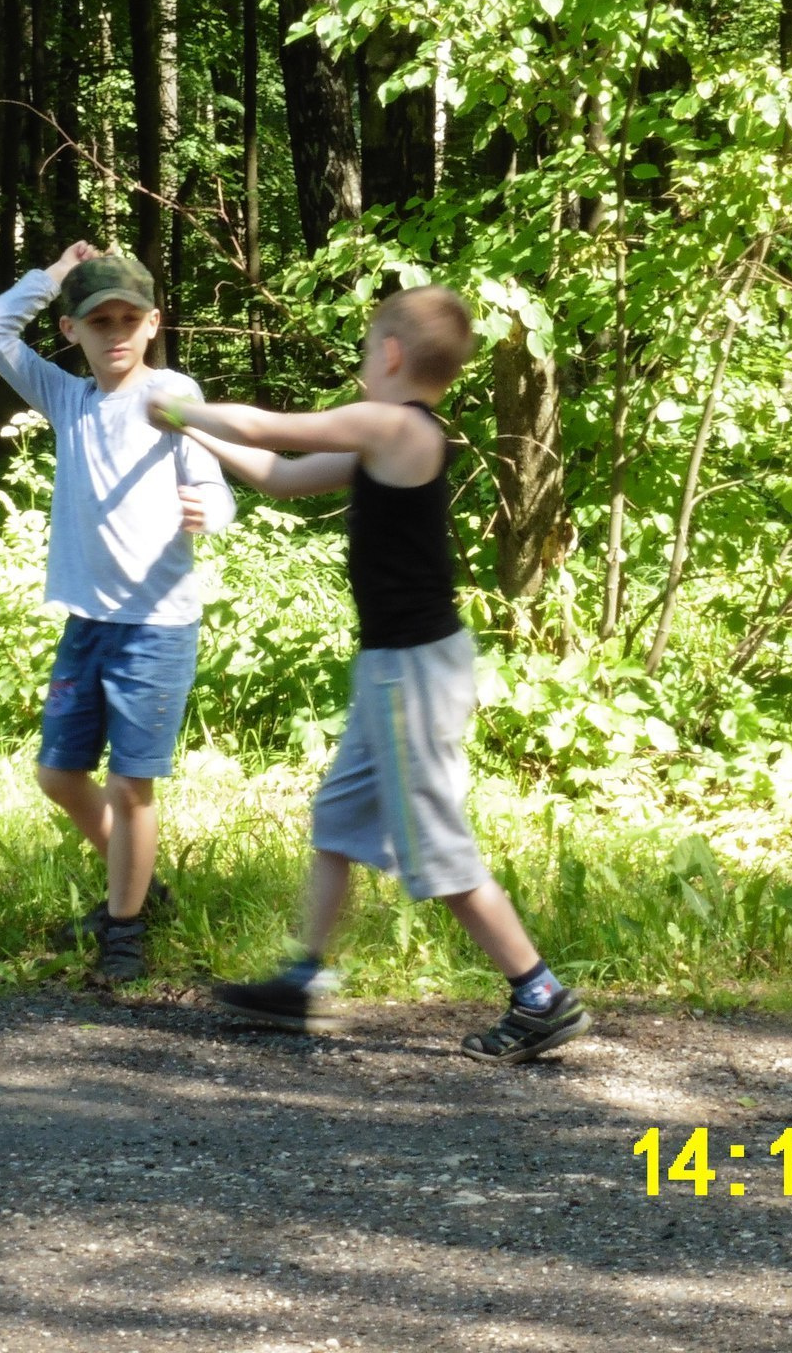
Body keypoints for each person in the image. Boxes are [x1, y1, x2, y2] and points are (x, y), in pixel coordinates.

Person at [149, 284, 591, 1064]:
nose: (361, 366)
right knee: (341, 820)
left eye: (364, 352)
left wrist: (181, 406)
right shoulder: (387, 440)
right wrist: (196, 432)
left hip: (410, 675)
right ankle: (304, 980)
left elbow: (270, 428)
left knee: (435, 846)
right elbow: (279, 475)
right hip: (396, 667)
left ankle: (539, 993)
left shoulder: (395, 426)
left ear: (389, 354)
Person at [0, 242, 234, 983]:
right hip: (87, 622)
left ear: (153, 323)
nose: (115, 333)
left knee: (129, 784)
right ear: (71, 330)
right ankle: (142, 888)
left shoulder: (171, 393)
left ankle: (125, 928)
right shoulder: (68, 399)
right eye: (98, 321)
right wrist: (53, 276)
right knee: (59, 775)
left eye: (128, 319)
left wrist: (210, 510)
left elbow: (215, 482)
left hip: (157, 625)